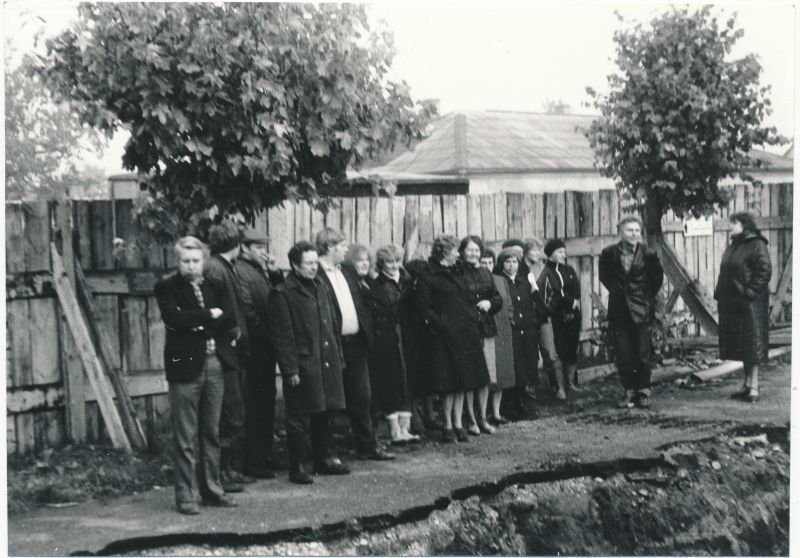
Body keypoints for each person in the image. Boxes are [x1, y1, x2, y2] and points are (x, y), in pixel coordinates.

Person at [154, 236, 239, 514]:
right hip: (185, 367)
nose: (191, 266)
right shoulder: (166, 287)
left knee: (211, 432)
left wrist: (197, 320)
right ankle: (186, 496)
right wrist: (207, 316)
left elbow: (229, 319)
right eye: (185, 261)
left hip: (215, 364)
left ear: (204, 260)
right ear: (177, 261)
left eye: (195, 260)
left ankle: (212, 490)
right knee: (186, 436)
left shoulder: (215, 284)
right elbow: (173, 320)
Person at [267, 241, 349, 484]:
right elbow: (283, 336)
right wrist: (290, 368)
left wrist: (339, 356)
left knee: (325, 411)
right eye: (309, 264)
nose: (314, 268)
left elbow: (333, 324)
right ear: (295, 265)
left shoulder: (321, 286)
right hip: (304, 364)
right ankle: (298, 466)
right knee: (299, 416)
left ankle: (325, 459)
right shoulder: (283, 293)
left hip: (327, 360)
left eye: (316, 263)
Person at [315, 228, 394, 461]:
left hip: (357, 344)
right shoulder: (317, 273)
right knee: (332, 400)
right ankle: (330, 452)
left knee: (362, 397)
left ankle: (367, 446)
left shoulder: (347, 271)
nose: (346, 250)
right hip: (333, 346)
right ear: (329, 247)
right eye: (342, 246)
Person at [417, 234, 491, 442]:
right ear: (443, 252)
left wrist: (473, 317)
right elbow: (423, 308)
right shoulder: (428, 275)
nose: (458, 254)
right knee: (449, 384)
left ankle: (459, 424)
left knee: (464, 381)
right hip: (444, 337)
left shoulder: (458, 272)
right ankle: (447, 426)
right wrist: (442, 325)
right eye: (455, 251)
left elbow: (468, 298)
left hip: (466, 333)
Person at [347, 244, 419, 444]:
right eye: (389, 262)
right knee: (391, 381)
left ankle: (406, 428)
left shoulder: (407, 281)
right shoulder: (377, 285)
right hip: (387, 337)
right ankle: (394, 429)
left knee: (407, 379)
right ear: (381, 263)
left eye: (397, 261)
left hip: (406, 336)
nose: (394, 265)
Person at [203, 221, 250, 492]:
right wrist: (232, 331)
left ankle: (229, 470)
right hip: (223, 351)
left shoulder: (221, 267)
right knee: (228, 414)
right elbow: (215, 310)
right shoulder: (216, 269)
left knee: (232, 412)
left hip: (229, 350)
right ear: (237, 245)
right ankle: (221, 473)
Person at [599, 215, 664, 409]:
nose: (634, 234)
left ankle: (643, 391)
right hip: (619, 310)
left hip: (641, 309)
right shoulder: (609, 253)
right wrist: (620, 293)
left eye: (637, 230)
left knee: (642, 353)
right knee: (624, 353)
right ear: (621, 232)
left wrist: (642, 296)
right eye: (630, 230)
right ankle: (629, 390)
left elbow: (656, 279)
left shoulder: (649, 253)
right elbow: (605, 278)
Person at [235, 230, 284, 479]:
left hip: (265, 346)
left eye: (265, 246)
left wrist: (273, 272)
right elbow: (247, 311)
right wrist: (267, 335)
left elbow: (277, 296)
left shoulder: (259, 270)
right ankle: (253, 460)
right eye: (258, 247)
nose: (264, 251)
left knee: (266, 400)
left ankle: (265, 454)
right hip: (255, 347)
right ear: (244, 248)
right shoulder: (240, 271)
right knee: (256, 404)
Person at [714, 212, 772, 403]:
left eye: (734, 223)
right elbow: (726, 271)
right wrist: (719, 293)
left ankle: (754, 387)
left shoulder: (757, 244)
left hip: (750, 304)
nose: (730, 225)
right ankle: (746, 385)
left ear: (745, 225)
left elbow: (764, 270)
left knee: (752, 344)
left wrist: (750, 292)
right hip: (734, 302)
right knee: (744, 345)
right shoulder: (734, 245)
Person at [458, 236, 502, 435]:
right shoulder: (457, 273)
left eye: (477, 250)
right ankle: (471, 420)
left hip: (486, 329)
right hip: (467, 331)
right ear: (462, 251)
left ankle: (483, 418)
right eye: (470, 250)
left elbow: (497, 297)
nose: (474, 254)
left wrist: (490, 304)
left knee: (485, 378)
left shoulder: (485, 272)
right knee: (470, 378)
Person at [495, 247, 543, 420]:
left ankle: (527, 405)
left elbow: (531, 304)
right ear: (501, 265)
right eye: (507, 262)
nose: (511, 265)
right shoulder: (500, 282)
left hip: (527, 329)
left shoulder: (523, 282)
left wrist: (532, 324)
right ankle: (511, 407)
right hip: (511, 331)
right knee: (515, 367)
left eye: (514, 262)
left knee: (528, 366)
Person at [537, 239, 582, 400]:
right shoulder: (547, 273)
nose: (563, 254)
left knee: (571, 347)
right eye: (559, 251)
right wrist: (568, 303)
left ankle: (570, 383)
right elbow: (555, 294)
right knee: (558, 350)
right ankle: (558, 387)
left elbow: (576, 288)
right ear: (550, 254)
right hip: (556, 317)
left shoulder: (569, 270)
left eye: (564, 251)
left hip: (573, 315)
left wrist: (574, 304)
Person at [481, 249, 516, 424]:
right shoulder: (475, 281)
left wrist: (510, 321)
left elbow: (508, 304)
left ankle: (496, 412)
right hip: (486, 331)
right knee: (487, 375)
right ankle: (482, 413)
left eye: (489, 262)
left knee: (502, 374)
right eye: (483, 262)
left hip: (503, 330)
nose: (486, 266)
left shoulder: (500, 280)